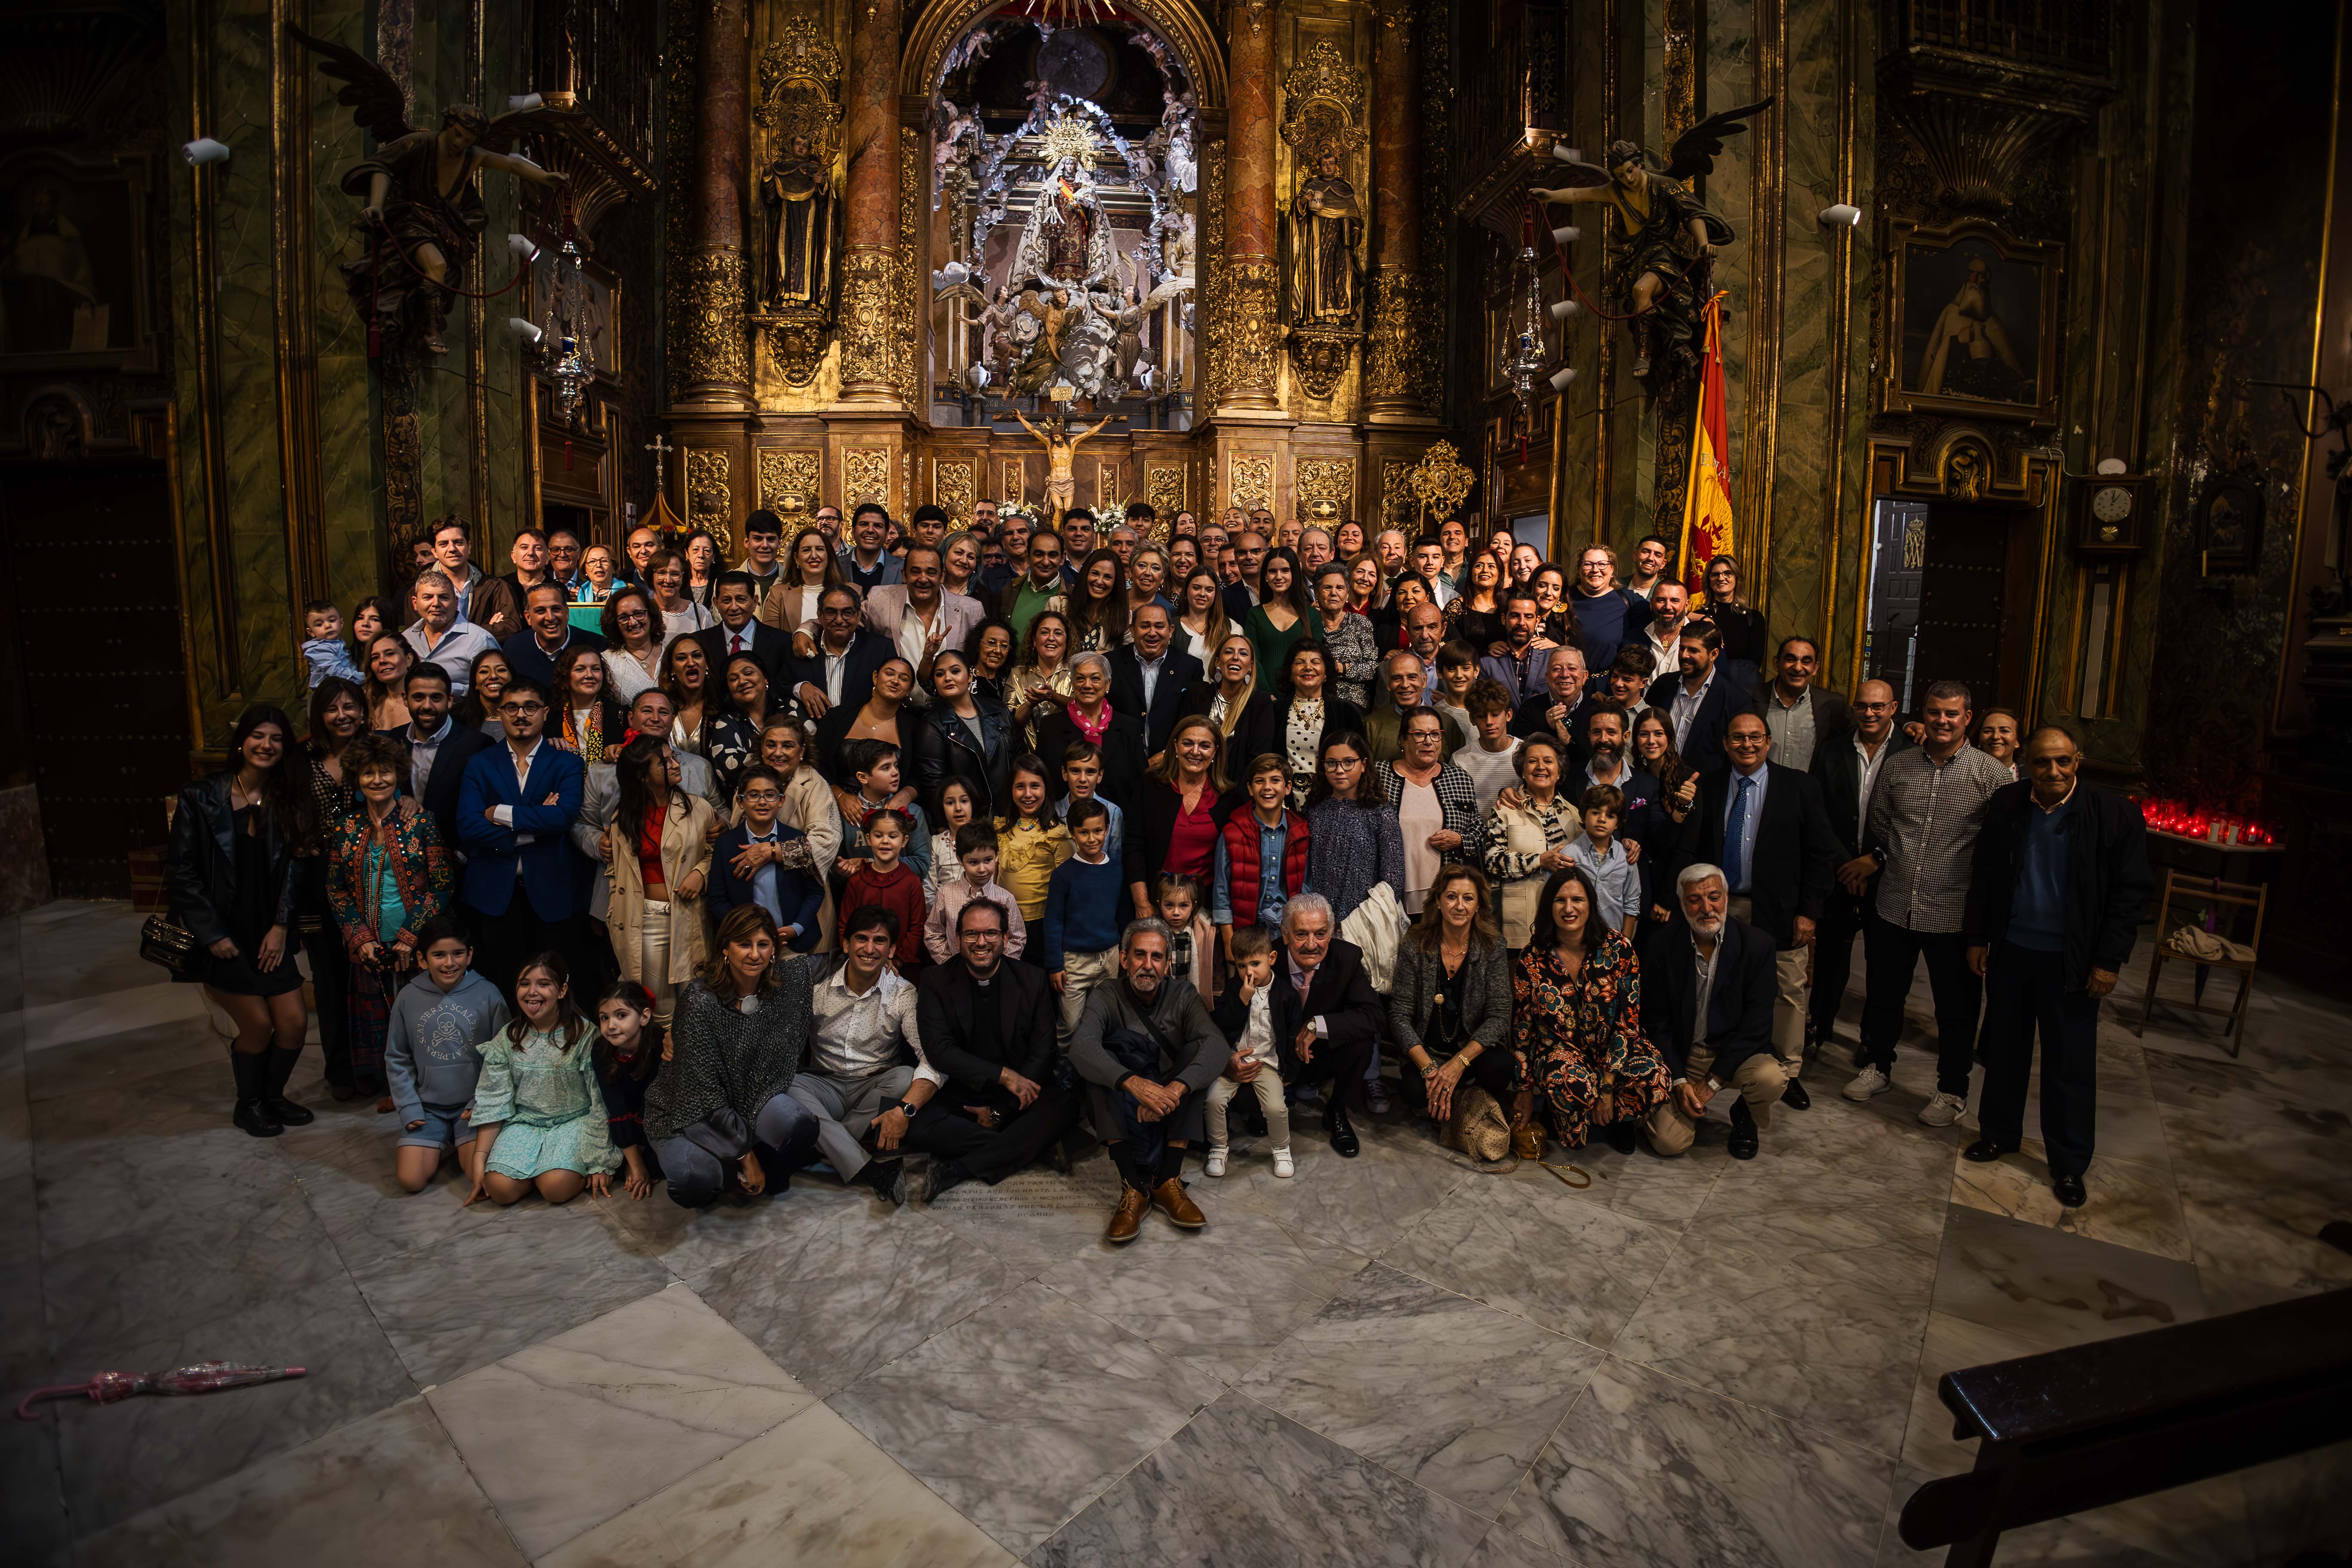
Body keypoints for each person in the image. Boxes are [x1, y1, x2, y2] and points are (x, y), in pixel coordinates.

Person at [1962, 727, 2152, 1208]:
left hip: (2072, 961)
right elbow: (1985, 876)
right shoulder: (2007, 804)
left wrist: (2108, 961)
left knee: (2069, 1065)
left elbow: (2130, 896)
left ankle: (2068, 1163)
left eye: (2062, 762)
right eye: (2042, 762)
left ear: (2078, 761)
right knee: (2005, 1050)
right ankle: (1999, 1134)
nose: (2053, 772)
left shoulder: (2115, 814)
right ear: (2025, 762)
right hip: (2013, 951)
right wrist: (1978, 937)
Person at [1842, 681, 2015, 1123]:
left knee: (1955, 1010)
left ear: (1967, 718)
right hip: (1895, 904)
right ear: (1924, 712)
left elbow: (2000, 850)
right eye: (1935, 712)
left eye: (1952, 714)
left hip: (1953, 913)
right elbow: (1881, 826)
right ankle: (1878, 1066)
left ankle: (1952, 1091)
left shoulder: (1990, 775)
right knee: (1884, 995)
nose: (1942, 721)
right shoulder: (1899, 767)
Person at [1666, 710, 1836, 1099]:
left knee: (1787, 989)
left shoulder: (1800, 787)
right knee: (1718, 984)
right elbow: (1689, 845)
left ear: (1769, 742)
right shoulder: (1708, 786)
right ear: (1726, 744)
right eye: (1738, 738)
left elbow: (1820, 854)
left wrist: (1809, 911)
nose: (1747, 745)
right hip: (1718, 908)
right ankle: (1728, 1064)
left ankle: (1788, 1073)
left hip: (1777, 909)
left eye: (1756, 737)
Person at [166, 704, 312, 1137]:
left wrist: (282, 926)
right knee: (258, 1025)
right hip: (221, 936)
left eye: (277, 739)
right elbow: (183, 872)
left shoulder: (287, 798)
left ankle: (272, 1096)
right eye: (259, 736)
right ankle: (248, 1104)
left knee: (293, 1023)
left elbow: (296, 868)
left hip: (270, 932)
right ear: (241, 742)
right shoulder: (200, 797)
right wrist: (212, 935)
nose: (266, 746)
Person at [643, 906, 822, 1207]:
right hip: (689, 1110)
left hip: (749, 1095)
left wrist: (885, 963)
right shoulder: (700, 1001)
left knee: (801, 1128)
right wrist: (746, 1158)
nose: (755, 955)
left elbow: (840, 961)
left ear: (774, 950)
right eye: (744, 944)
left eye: (763, 945)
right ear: (725, 948)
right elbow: (701, 1096)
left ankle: (750, 1160)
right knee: (695, 1184)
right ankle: (727, 1162)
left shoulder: (786, 983)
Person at [1067, 918, 1225, 1242]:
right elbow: (1081, 1047)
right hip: (1124, 1107)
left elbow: (1218, 1046)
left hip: (1171, 1109)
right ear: (1124, 959)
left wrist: (1172, 1091)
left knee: (1198, 1052)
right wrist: (1133, 1084)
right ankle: (1134, 1188)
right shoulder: (1107, 993)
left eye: (1157, 957)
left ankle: (1168, 1181)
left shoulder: (1183, 994)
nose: (1148, 966)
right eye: (1140, 955)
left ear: (1168, 964)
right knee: (1098, 1067)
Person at [325, 732, 453, 1103]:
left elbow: (443, 885)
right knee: (378, 1020)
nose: (377, 780)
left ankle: (426, 1089)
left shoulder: (421, 823)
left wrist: (411, 936)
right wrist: (359, 937)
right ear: (357, 780)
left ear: (398, 775)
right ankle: (391, 1087)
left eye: (385, 772)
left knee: (421, 1021)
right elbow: (336, 889)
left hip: (416, 943)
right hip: (368, 944)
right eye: (368, 774)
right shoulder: (345, 828)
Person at [791, 904, 945, 1203]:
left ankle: (823, 1147)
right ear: (846, 944)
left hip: (873, 1089)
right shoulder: (816, 986)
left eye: (880, 941)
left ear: (892, 950)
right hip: (823, 1084)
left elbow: (933, 1059)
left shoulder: (903, 994)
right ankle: (872, 1170)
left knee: (905, 1076)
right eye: (862, 939)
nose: (869, 949)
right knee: (788, 1084)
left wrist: (905, 1111)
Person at [1511, 866, 1671, 1153]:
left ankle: (1614, 1119)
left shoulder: (1619, 949)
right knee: (1570, 1083)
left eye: (1578, 900)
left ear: (1591, 904)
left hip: (1612, 1048)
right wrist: (1524, 1090)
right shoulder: (1531, 958)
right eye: (1560, 900)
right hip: (1560, 1053)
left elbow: (1628, 1022)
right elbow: (1523, 1027)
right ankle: (1567, 1106)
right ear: (1549, 906)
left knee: (1655, 1077)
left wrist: (1608, 1085)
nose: (1569, 908)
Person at [455, 676, 590, 1001]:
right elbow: (468, 826)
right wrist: (532, 828)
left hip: (553, 892)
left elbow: (562, 818)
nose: (521, 715)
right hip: (494, 894)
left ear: (545, 712)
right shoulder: (479, 763)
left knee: (555, 986)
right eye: (512, 707)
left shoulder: (567, 761)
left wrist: (499, 813)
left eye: (530, 707)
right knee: (501, 985)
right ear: (500, 714)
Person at [1640, 863, 1785, 1159]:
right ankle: (1673, 1102)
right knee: (1669, 1144)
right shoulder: (1660, 945)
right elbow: (1656, 1021)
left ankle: (1745, 1115)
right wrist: (1679, 1081)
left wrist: (1711, 1083)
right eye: (1695, 900)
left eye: (1714, 897)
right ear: (1682, 905)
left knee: (1771, 1077)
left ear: (1727, 898)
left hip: (1733, 1053)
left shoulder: (1758, 946)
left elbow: (1756, 1027)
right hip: (1683, 1053)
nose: (1706, 908)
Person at [465, 952, 619, 1206]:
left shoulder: (585, 1034)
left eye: (544, 984)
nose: (532, 992)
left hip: (573, 1121)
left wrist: (599, 1161)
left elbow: (600, 1101)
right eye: (525, 984)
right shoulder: (509, 1037)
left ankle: (553, 1171)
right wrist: (480, 1158)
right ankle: (537, 1170)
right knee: (499, 1190)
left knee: (555, 1189)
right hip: (525, 1124)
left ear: (562, 991)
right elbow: (494, 1099)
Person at [1808, 678, 1908, 1049]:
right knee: (1831, 958)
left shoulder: (1912, 751)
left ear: (1893, 709)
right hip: (1839, 871)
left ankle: (1873, 1041)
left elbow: (1912, 820)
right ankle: (1820, 1025)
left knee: (1883, 965)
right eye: (1862, 706)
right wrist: (1847, 864)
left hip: (1888, 874)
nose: (1869, 713)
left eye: (1878, 707)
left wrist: (1874, 861)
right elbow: (1818, 813)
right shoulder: (1832, 750)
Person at [385, 918, 510, 1193]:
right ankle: (440, 1136)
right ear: (422, 958)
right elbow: (397, 1058)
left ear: (470, 955)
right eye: (439, 955)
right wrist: (409, 1107)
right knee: (411, 1181)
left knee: (482, 1179)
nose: (449, 963)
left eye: (458, 954)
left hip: (473, 1108)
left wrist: (482, 1101)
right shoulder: (407, 997)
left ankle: (459, 1138)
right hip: (428, 1108)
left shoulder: (489, 994)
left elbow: (503, 1057)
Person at [600, 730, 715, 1029]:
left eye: (673, 757)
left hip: (688, 917)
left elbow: (715, 854)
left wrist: (701, 873)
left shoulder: (699, 808)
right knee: (658, 1012)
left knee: (698, 1009)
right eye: (663, 762)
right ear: (642, 775)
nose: (675, 764)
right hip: (645, 920)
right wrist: (614, 911)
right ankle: (667, 1073)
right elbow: (614, 872)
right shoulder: (622, 817)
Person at [1390, 864, 1518, 1131]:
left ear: (1479, 904)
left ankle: (1453, 1094)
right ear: (1438, 901)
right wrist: (1429, 1069)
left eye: (1468, 898)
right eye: (1451, 897)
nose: (1459, 906)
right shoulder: (1415, 944)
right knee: (1413, 1092)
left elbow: (1499, 1015)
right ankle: (1450, 1096)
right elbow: (1399, 1015)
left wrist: (1459, 1064)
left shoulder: (1492, 947)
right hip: (1429, 1051)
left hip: (1471, 1051)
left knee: (1502, 1067)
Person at [1265, 893, 1382, 1156]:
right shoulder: (1267, 957)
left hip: (1321, 1055)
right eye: (1301, 934)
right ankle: (1270, 1102)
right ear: (1285, 935)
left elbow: (1374, 1015)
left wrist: (1316, 1025)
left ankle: (1336, 1110)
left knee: (1363, 1041)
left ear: (1331, 933)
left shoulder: (1347, 958)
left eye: (1320, 934)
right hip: (1275, 1059)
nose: (1311, 945)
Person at [1204, 925, 1292, 1178]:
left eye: (1256, 963)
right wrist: (1242, 1000)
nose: (1249, 972)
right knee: (1213, 1101)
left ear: (1271, 959)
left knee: (1276, 1108)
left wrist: (1290, 1072)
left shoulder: (1285, 994)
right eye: (1242, 966)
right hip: (1233, 1060)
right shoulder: (1234, 989)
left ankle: (1282, 1149)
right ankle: (1219, 1147)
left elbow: (1291, 1033)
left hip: (1267, 1062)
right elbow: (1221, 1025)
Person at [1380, 707, 1485, 915]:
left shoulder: (1459, 779)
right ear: (1402, 739)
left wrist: (1460, 840)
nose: (1429, 742)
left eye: (1435, 735)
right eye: (1419, 735)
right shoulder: (1379, 776)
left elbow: (1479, 831)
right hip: (1390, 896)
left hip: (1447, 897)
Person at [707, 763, 822, 951]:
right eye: (753, 795)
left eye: (770, 795)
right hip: (745, 943)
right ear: (740, 802)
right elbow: (717, 899)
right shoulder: (726, 844)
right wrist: (744, 930)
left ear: (781, 800)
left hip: (793, 944)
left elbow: (815, 892)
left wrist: (797, 928)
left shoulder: (797, 840)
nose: (762, 802)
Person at [1125, 715, 1230, 922]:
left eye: (1205, 746)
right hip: (1156, 905)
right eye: (1188, 743)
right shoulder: (1151, 786)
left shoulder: (1227, 798)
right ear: (1175, 746)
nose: (1195, 752)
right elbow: (1133, 846)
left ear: (1216, 751)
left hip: (1204, 912)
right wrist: (1142, 903)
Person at [1485, 733, 1581, 951]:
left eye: (1548, 761)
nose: (1541, 767)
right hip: (1518, 925)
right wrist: (1539, 861)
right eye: (1532, 761)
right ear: (1523, 771)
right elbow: (1492, 861)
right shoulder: (1505, 811)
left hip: (1564, 924)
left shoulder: (1574, 814)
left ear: (1559, 772)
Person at [1302, 732, 1406, 926]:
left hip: (1365, 923)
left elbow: (1393, 880)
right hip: (1317, 921)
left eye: (1349, 762)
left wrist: (1364, 920)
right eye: (1331, 763)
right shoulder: (1313, 810)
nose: (1340, 770)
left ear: (1364, 765)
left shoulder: (1381, 813)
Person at [1245, 639, 1365, 807]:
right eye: (1300, 662)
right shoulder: (1274, 711)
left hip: (1333, 801)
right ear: (1290, 674)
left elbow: (1359, 763)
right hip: (1283, 802)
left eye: (1316, 662)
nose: (1308, 667)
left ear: (1326, 673)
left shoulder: (1346, 712)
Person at [1032, 651, 1149, 821]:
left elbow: (1140, 783)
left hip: (1118, 824)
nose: (1087, 685)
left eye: (1095, 678)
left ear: (1107, 684)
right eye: (1080, 679)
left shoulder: (1129, 727)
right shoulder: (1051, 726)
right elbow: (1042, 780)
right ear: (1073, 683)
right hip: (1061, 825)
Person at [1212, 753, 1308, 951]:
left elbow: (1306, 886)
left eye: (1275, 781)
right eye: (1259, 781)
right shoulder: (1233, 832)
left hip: (1288, 932)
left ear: (1288, 788)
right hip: (1246, 931)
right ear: (1250, 788)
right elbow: (1222, 890)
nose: (1267, 787)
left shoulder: (1301, 832)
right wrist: (1230, 940)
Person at [914, 646, 1016, 822]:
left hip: (1008, 816)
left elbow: (1017, 760)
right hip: (966, 823)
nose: (948, 678)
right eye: (940, 674)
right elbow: (933, 786)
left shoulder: (999, 710)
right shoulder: (933, 724)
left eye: (955, 671)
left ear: (970, 676)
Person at [866, 544, 983, 688]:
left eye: (931, 573)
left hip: (949, 707)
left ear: (942, 576)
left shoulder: (971, 610)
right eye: (915, 572)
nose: (923, 579)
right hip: (894, 707)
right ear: (904, 575)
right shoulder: (880, 599)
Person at [1647, 621, 1752, 775]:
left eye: (1693, 651)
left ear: (1714, 654)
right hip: (1654, 783)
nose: (1684, 656)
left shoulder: (1736, 701)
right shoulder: (1663, 685)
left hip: (1702, 791)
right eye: (1682, 648)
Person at [592, 981, 666, 1200]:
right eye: (605, 1018)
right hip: (625, 1129)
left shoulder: (660, 1046)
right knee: (611, 1167)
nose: (611, 1026)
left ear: (644, 1017)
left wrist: (642, 1165)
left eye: (621, 1015)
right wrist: (635, 1164)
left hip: (658, 1121)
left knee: (661, 1166)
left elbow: (653, 1106)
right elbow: (615, 1108)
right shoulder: (601, 1050)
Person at [792, 585, 897, 734]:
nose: (839, 620)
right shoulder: (804, 647)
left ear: (859, 615)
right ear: (820, 615)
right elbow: (781, 684)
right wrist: (801, 688)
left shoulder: (882, 650)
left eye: (847, 613)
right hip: (814, 743)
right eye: (831, 612)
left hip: (864, 741)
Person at [1110, 601, 1203, 763]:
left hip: (1171, 765)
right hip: (1119, 761)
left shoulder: (1190, 668)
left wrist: (1169, 753)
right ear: (1132, 630)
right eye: (1145, 626)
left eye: (1159, 626)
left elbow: (1194, 721)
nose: (1152, 633)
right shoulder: (1110, 664)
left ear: (1171, 631)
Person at [1744, 635, 1850, 773]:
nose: (1798, 667)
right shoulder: (1748, 698)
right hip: (1758, 790)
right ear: (1776, 663)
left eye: (1806, 662)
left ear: (1815, 668)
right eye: (1790, 660)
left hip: (1806, 792)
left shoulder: (1832, 705)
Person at [813, 653, 921, 788]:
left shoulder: (913, 728)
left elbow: (919, 777)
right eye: (889, 674)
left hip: (890, 804)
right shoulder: (838, 716)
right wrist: (839, 795)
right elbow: (816, 761)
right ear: (876, 678)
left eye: (904, 679)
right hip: (834, 800)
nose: (895, 681)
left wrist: (904, 797)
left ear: (909, 690)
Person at [841, 809, 928, 974]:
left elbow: (917, 928)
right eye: (878, 836)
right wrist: (855, 956)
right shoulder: (856, 881)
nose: (885, 842)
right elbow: (845, 925)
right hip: (860, 963)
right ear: (869, 839)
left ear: (904, 841)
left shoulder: (911, 882)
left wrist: (898, 961)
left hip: (900, 968)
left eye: (893, 837)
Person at [924, 822, 1025, 963]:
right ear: (960, 860)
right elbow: (933, 933)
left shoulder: (1006, 898)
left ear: (997, 856)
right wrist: (950, 964)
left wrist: (999, 965)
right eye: (974, 862)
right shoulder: (945, 895)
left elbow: (1017, 938)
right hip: (956, 974)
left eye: (988, 860)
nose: (982, 869)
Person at [995, 754, 1071, 926]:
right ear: (1011, 790)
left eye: (1035, 786)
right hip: (1004, 921)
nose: (1028, 794)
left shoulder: (1057, 833)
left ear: (1046, 789)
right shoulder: (1001, 829)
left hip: (1043, 923)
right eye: (1020, 787)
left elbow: (1068, 885)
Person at [404, 570, 501, 697]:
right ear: (415, 603)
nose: (436, 604)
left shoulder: (479, 639)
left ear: (456, 602)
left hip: (465, 714)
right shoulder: (406, 639)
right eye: (428, 597)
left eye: (444, 597)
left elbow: (498, 686)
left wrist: (445, 689)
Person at [425, 515, 521, 638]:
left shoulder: (496, 587)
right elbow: (420, 637)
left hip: (484, 657)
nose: (452, 549)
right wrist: (484, 630)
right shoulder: (420, 592)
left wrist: (454, 633)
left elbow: (511, 628)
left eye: (458, 542)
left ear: (469, 547)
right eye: (444, 544)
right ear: (434, 552)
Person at [1568, 784, 1642, 940]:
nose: (1602, 819)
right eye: (1595, 813)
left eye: (1610, 816)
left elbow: (1632, 903)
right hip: (1573, 940)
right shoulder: (1568, 855)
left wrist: (1625, 945)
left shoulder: (1626, 858)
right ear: (1582, 816)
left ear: (1618, 823)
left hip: (1612, 942)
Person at [501, 581, 606, 689]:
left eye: (556, 609)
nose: (550, 618)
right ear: (528, 617)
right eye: (541, 611)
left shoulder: (596, 645)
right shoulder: (514, 648)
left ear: (566, 613)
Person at [694, 570, 792, 683]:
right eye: (726, 601)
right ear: (716, 603)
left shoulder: (782, 643)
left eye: (741, 599)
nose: (734, 607)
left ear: (755, 602)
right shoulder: (700, 643)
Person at [1566, 544, 1649, 672]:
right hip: (1568, 681)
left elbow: (1664, 611)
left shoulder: (1627, 599)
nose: (1595, 570)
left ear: (1612, 570)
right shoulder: (1564, 597)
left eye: (1602, 564)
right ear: (1579, 570)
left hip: (1607, 685)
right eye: (1588, 564)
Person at [1003, 609, 1076, 748]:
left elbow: (1085, 710)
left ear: (1067, 641)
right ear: (1034, 641)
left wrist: (1053, 696)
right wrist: (1030, 704)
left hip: (1069, 757)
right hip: (1027, 760)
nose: (1051, 638)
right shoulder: (1017, 674)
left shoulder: (1077, 674)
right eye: (1044, 632)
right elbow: (1009, 721)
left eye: (1058, 633)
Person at [758, 527, 845, 642]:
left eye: (819, 549)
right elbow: (771, 641)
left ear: (829, 555)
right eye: (806, 550)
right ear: (797, 558)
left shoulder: (852, 591)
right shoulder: (778, 594)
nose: (814, 555)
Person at [1454, 678, 1524, 815]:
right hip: (1476, 834)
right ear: (1472, 719)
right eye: (1481, 716)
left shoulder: (1525, 752)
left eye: (1495, 714)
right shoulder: (1460, 759)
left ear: (1508, 715)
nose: (1489, 722)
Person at [1241, 546, 1314, 677]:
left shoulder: (1313, 616)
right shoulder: (1255, 615)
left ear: (1295, 574)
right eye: (1273, 571)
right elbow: (1254, 660)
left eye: (1285, 571)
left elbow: (1317, 661)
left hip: (1302, 693)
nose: (1279, 577)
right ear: (1266, 576)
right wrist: (1268, 696)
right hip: (1264, 694)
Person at [550, 644, 627, 764]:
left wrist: (622, 750)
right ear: (566, 676)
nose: (590, 675)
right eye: (580, 669)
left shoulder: (621, 714)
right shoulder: (549, 718)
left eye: (596, 669)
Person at [597, 585, 669, 707]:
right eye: (624, 618)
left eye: (639, 613)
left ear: (651, 615)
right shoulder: (606, 662)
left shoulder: (671, 653)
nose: (633, 622)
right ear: (615, 623)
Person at [1000, 528, 1069, 643]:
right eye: (1039, 555)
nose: (1046, 562)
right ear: (1028, 557)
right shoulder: (1010, 590)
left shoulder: (1072, 596)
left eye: (1052, 555)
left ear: (1062, 559)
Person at [1155, 872, 1217, 999]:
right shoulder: (1153, 933)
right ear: (1159, 905)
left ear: (1193, 905)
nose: (1176, 912)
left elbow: (1216, 972)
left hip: (1193, 999)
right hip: (1164, 1000)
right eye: (1169, 905)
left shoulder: (1206, 931)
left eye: (1184, 906)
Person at [1700, 554, 1766, 667]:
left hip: (1741, 682)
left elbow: (1754, 665)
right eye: (1715, 575)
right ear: (1709, 581)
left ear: (1736, 578)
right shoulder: (1699, 616)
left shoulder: (1754, 618)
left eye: (1728, 573)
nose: (1721, 578)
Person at [1065, 549, 1127, 655]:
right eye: (1095, 574)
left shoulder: (1125, 618)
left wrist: (1108, 656)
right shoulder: (1059, 605)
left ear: (1116, 582)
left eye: (1108, 577)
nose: (1099, 581)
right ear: (1085, 574)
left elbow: (1129, 658)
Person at [1445, 549, 1506, 651]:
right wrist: (1487, 649)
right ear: (1471, 572)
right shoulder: (1457, 608)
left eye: (1491, 566)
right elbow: (1446, 644)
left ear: (1499, 574)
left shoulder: (1506, 607)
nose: (1485, 570)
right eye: (1479, 566)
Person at [838, 502, 903, 592]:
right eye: (864, 524)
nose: (870, 530)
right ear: (853, 532)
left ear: (887, 534)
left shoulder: (902, 567)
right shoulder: (835, 566)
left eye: (878, 526)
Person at [1175, 566, 1232, 667]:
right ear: (1187, 589)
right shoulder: (1171, 626)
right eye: (1196, 588)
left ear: (1216, 594)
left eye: (1209, 590)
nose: (1202, 594)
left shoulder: (1230, 626)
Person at [301, 599, 363, 689]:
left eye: (332, 620)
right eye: (319, 624)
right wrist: (366, 678)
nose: (328, 626)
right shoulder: (318, 650)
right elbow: (338, 673)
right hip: (330, 693)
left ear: (341, 623)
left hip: (348, 685)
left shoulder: (339, 643)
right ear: (311, 632)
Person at [362, 631, 416, 731]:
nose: (382, 661)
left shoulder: (423, 704)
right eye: (375, 658)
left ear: (409, 659)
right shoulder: (370, 707)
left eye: (390, 654)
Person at [454, 646, 515, 734]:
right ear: (475, 683)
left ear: (512, 677)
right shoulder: (457, 719)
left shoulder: (529, 717)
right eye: (484, 672)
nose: (494, 676)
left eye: (501, 670)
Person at [1974, 707, 2022, 779]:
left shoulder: (2029, 773)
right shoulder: (1965, 771)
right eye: (1988, 731)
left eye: (2005, 731)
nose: (1995, 737)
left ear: (2017, 741)